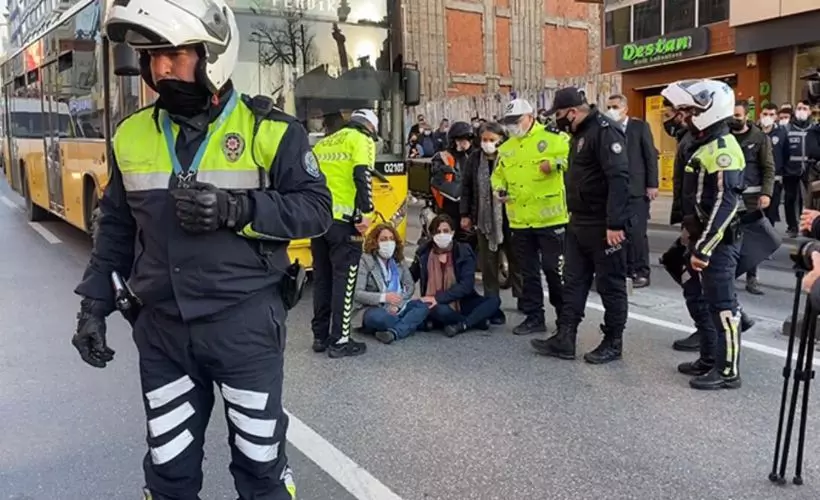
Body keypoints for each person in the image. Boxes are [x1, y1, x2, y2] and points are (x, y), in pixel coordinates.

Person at [71, 0, 333, 497]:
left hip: (244, 328)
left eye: (174, 53)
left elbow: (316, 209)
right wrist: (92, 307)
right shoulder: (130, 135)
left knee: (261, 471)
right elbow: (116, 231)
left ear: (213, 53)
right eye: (150, 56)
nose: (160, 68)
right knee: (168, 473)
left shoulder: (269, 129)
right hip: (163, 333)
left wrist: (240, 210)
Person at [531, 87, 630, 364]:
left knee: (611, 285)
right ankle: (565, 337)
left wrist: (615, 223)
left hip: (603, 224)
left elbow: (619, 179)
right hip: (579, 221)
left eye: (560, 114)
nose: (558, 120)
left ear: (573, 112)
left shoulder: (604, 131)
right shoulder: (578, 135)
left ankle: (613, 341)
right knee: (572, 282)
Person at [663, 79, 746, 390]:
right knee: (708, 301)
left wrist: (705, 249)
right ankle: (710, 358)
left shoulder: (724, 150)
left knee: (724, 306)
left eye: (691, 109)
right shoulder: (704, 144)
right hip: (701, 237)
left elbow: (725, 204)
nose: (684, 115)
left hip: (720, 242)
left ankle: (728, 371)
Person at [492, 98, 569, 335]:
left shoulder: (554, 138)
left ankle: (565, 319)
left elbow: (573, 160)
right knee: (528, 272)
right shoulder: (506, 147)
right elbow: (498, 175)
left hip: (550, 219)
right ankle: (535, 317)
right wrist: (499, 189)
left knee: (554, 271)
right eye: (509, 122)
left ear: (530, 116)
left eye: (516, 121)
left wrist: (554, 164)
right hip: (520, 219)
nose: (513, 126)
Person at [311, 109, 379, 358]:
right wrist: (367, 211)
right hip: (346, 224)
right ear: (371, 127)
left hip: (320, 222)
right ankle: (340, 339)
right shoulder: (362, 139)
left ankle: (320, 336)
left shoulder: (324, 142)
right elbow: (363, 176)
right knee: (346, 280)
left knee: (322, 279)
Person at [460, 121, 522, 321]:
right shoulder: (474, 159)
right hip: (484, 218)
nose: (487, 143)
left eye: (491, 140)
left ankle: (524, 300)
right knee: (488, 262)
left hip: (511, 216)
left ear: (501, 140)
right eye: (484, 139)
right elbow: (467, 188)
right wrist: (465, 215)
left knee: (517, 259)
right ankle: (491, 304)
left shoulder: (511, 156)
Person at [410, 214, 502, 337]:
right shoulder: (424, 253)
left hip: (461, 301)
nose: (442, 234)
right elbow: (410, 277)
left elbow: (466, 286)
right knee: (439, 310)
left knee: (494, 300)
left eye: (446, 231)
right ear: (432, 235)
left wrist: (438, 298)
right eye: (438, 232)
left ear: (452, 233)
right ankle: (474, 321)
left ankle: (462, 324)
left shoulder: (463, 251)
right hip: (434, 303)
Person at [606, 93, 658, 288]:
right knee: (620, 233)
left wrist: (652, 184)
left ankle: (641, 271)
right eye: (609, 106)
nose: (611, 110)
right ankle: (625, 270)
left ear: (625, 109)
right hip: (616, 191)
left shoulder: (639, 127)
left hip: (637, 188)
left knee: (637, 233)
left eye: (615, 106)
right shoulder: (607, 129)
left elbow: (650, 156)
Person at [728, 100, 775, 295]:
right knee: (728, 239)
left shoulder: (759, 138)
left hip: (752, 198)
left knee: (751, 239)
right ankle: (727, 277)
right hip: (729, 197)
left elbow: (768, 168)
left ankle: (752, 278)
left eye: (738, 116)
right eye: (732, 115)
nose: (734, 119)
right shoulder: (724, 136)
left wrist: (766, 193)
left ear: (746, 116)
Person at [354, 223, 429, 344]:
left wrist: (398, 303)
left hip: (398, 305)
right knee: (384, 318)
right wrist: (384, 298)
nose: (388, 243)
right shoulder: (365, 260)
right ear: (375, 242)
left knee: (424, 307)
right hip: (373, 307)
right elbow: (357, 294)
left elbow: (410, 287)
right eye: (383, 239)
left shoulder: (398, 259)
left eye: (391, 239)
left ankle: (394, 333)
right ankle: (412, 324)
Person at [430, 121, 473, 228]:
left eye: (467, 139)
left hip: (470, 202)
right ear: (453, 140)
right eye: (461, 139)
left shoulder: (474, 156)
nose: (464, 142)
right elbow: (438, 179)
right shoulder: (442, 156)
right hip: (449, 204)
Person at [783, 100, 817, 237]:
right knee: (790, 198)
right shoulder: (787, 128)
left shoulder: (814, 129)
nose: (801, 110)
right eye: (799, 108)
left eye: (804, 108)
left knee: (809, 200)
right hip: (790, 169)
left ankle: (808, 226)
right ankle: (792, 226)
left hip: (810, 170)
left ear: (809, 111)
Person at [758, 102, 788, 226]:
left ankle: (768, 241)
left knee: (771, 212)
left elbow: (787, 154)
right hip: (756, 179)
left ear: (776, 117)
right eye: (765, 114)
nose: (767, 117)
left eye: (771, 114)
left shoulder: (782, 133)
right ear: (760, 114)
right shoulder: (754, 132)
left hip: (774, 179)